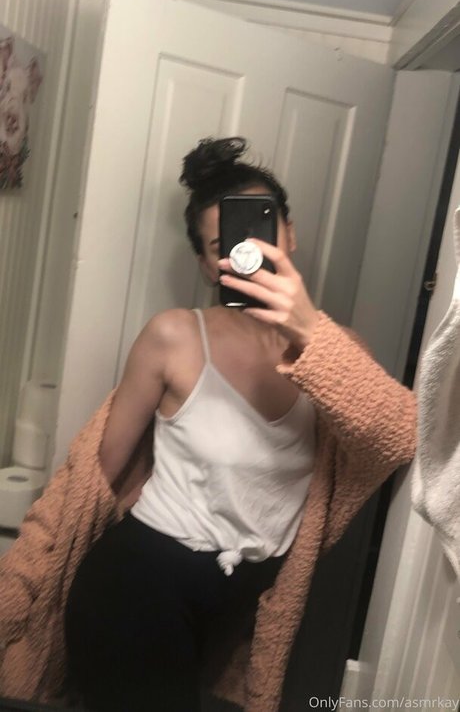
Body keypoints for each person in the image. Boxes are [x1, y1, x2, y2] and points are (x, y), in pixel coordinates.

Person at [61, 137, 405, 712]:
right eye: (225, 246)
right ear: (206, 263)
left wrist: (307, 330)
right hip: (136, 586)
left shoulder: (339, 355)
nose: (248, 253)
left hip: (230, 608)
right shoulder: (173, 336)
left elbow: (397, 434)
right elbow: (98, 477)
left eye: (261, 231)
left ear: (289, 233)